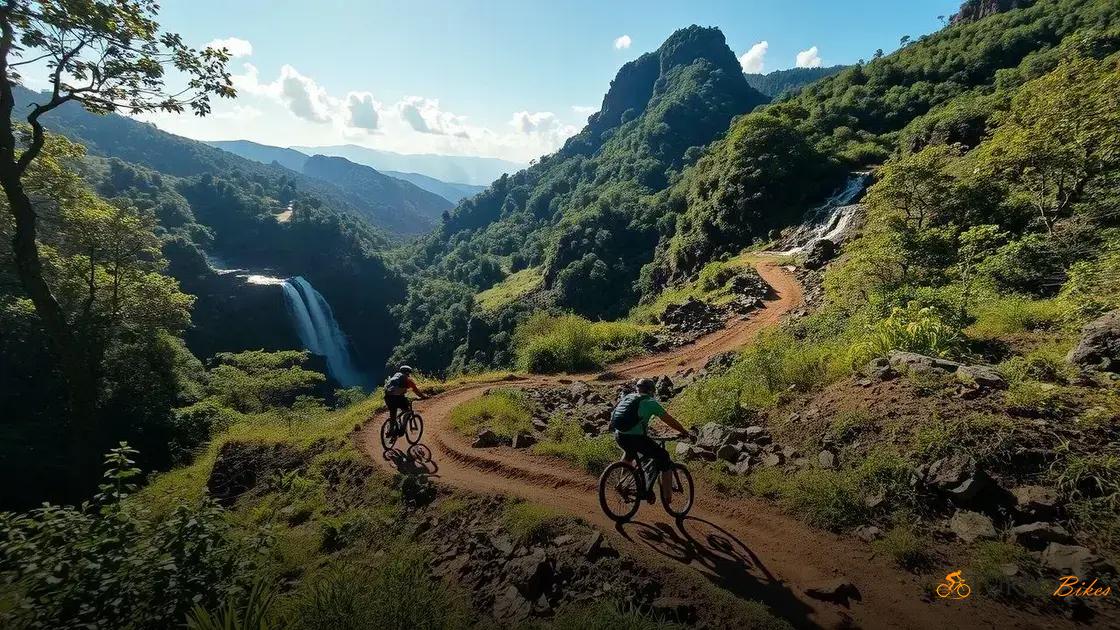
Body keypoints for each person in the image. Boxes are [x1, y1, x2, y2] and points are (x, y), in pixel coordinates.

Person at [612, 377, 690, 505]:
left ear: (638, 389)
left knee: (629, 453)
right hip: (635, 437)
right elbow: (669, 420)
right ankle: (667, 498)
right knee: (664, 457)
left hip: (619, 435)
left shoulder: (628, 397)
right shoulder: (650, 402)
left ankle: (623, 484)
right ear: (651, 391)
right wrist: (684, 431)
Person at [384, 365, 426, 434]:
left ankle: (390, 431)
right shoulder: (407, 379)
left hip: (387, 397)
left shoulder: (395, 376)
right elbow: (416, 391)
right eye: (409, 373)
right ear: (407, 373)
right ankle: (402, 430)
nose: (409, 375)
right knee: (407, 411)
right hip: (397, 398)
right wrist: (423, 397)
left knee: (393, 414)